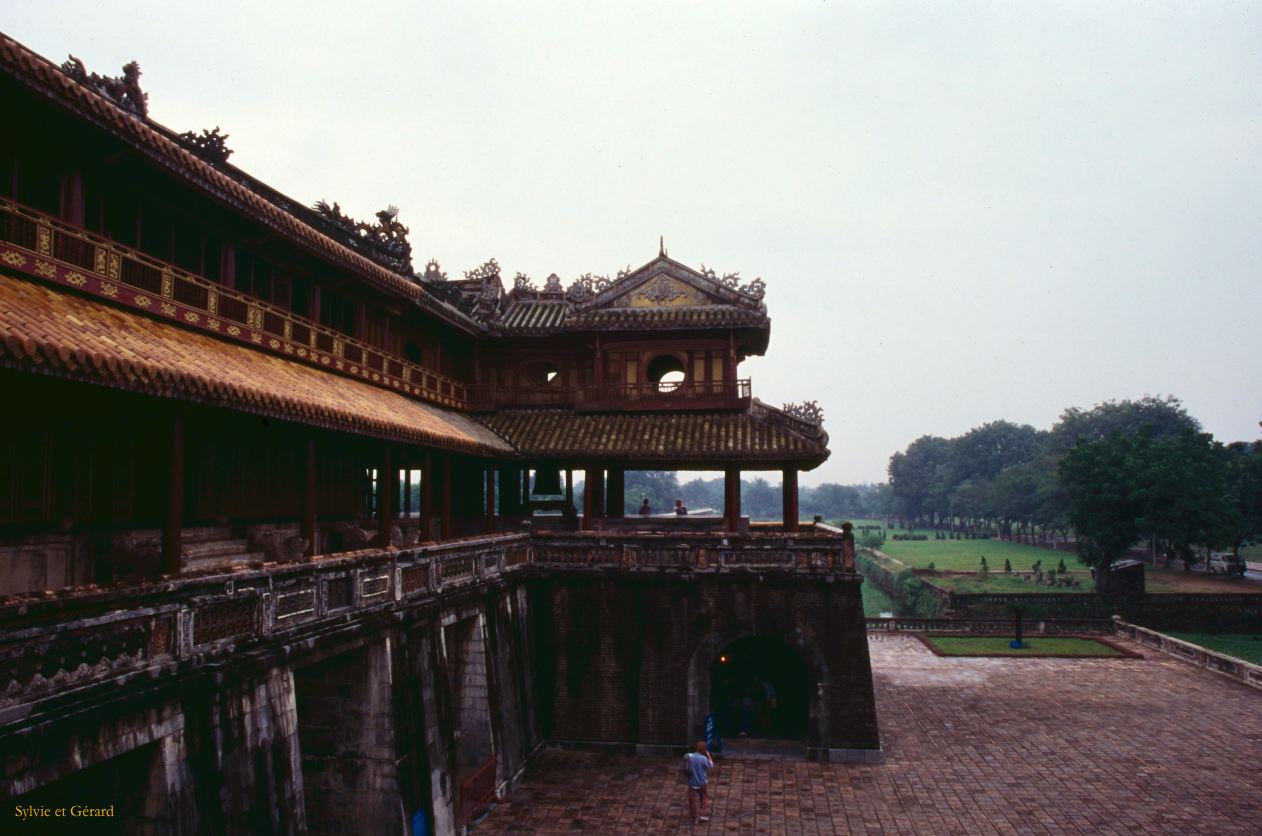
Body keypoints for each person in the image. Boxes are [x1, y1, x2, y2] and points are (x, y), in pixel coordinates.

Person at [682, 740, 715, 824]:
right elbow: (711, 765)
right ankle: (701, 814)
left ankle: (694, 818)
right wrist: (708, 755)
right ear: (704, 750)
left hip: (692, 782)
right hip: (702, 782)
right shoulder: (703, 758)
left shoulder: (690, 757)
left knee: (692, 800)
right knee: (704, 798)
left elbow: (686, 758)